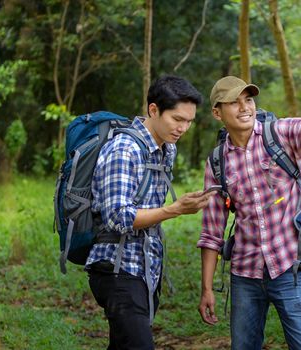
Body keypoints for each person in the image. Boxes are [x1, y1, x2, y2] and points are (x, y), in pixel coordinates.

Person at [197, 71, 301, 349]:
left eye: (248, 99)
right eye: (234, 102)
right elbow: (211, 232)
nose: (244, 107)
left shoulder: (279, 134)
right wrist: (206, 288)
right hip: (245, 275)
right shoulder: (217, 163)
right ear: (217, 113)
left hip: (291, 268)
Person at [85, 75, 215, 350]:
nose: (183, 128)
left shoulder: (166, 149)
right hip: (117, 268)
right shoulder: (124, 149)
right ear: (153, 110)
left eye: (189, 121)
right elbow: (118, 217)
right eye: (177, 119)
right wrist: (174, 210)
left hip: (146, 267)